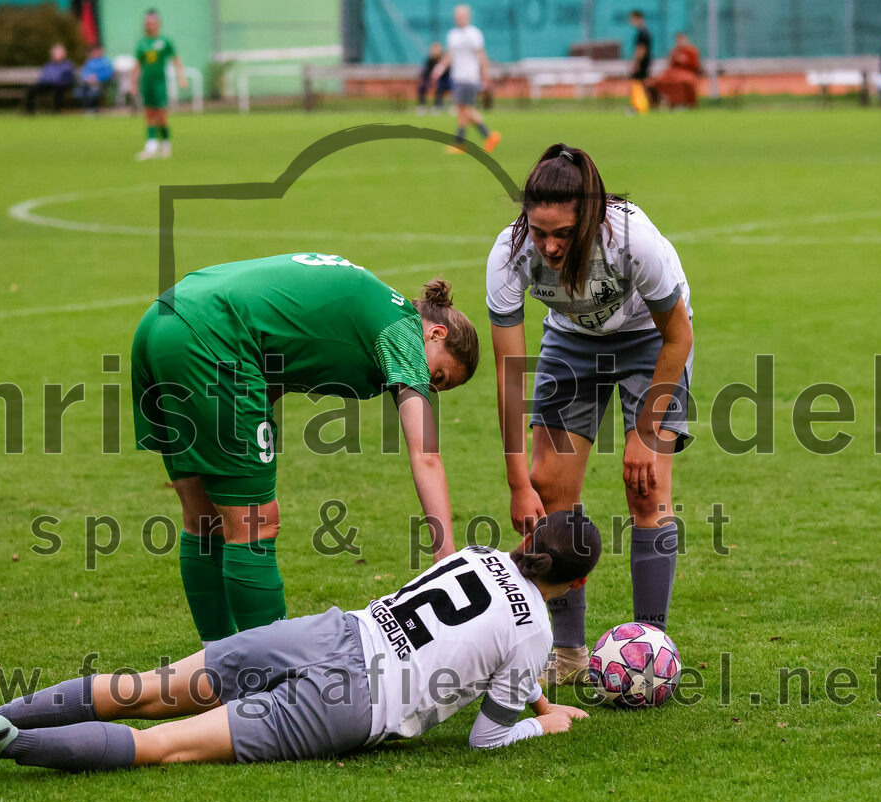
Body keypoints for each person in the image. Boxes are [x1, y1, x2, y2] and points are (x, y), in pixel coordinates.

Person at [0, 510, 600, 783]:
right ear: (579, 581)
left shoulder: (479, 553)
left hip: (329, 631)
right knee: (166, 744)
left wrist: (528, 688)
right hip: (353, 702)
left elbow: (471, 636)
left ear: (530, 537)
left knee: (145, 687)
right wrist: (543, 719)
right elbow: (486, 739)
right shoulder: (536, 631)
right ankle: (2, 739)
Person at [131, 254, 480, 644]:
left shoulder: (376, 306)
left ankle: (219, 662)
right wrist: (445, 555)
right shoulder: (402, 331)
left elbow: (280, 352)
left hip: (164, 319)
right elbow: (426, 454)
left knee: (204, 519)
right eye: (437, 377)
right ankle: (267, 673)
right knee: (255, 523)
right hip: (210, 337)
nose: (426, 387)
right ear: (435, 334)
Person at [485, 143, 693, 684]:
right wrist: (516, 483)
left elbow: (679, 334)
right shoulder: (509, 255)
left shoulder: (633, 243)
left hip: (649, 340)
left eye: (563, 234)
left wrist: (645, 433)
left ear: (592, 220)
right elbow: (510, 378)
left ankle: (652, 649)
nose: (549, 246)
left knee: (646, 489)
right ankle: (569, 652)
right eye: (539, 231)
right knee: (550, 491)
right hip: (572, 342)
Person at [430, 5, 500, 154]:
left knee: (465, 109)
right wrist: (439, 69)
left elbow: (481, 56)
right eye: (457, 15)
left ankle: (487, 136)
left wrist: (485, 75)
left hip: (470, 77)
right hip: (457, 77)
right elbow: (449, 55)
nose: (458, 18)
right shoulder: (453, 35)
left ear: (468, 16)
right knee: (462, 109)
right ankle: (461, 142)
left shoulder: (474, 34)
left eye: (461, 15)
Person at [130, 8, 187, 160]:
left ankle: (166, 145)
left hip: (160, 83)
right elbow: (137, 65)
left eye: (152, 22)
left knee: (161, 116)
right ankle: (151, 147)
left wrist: (181, 77)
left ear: (158, 23)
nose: (149, 25)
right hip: (146, 83)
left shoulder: (165, 41)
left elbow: (176, 59)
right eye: (147, 22)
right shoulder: (141, 43)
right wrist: (133, 83)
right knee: (149, 114)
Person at [646, 33, 702, 109]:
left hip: (686, 72)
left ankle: (687, 104)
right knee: (652, 81)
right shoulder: (674, 52)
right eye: (678, 40)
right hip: (673, 72)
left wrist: (685, 61)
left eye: (681, 40)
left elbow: (696, 66)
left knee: (686, 81)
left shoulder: (692, 51)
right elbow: (670, 65)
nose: (680, 42)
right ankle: (656, 103)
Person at [25, 43, 76, 114]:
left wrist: (59, 81)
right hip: (48, 84)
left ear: (63, 54)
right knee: (32, 90)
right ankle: (29, 111)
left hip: (61, 84)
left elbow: (69, 78)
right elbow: (44, 76)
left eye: (58, 53)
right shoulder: (49, 64)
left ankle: (57, 110)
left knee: (59, 89)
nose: (56, 55)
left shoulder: (67, 64)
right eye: (55, 53)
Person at [75, 43, 114, 114]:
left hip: (101, 83)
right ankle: (86, 109)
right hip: (88, 83)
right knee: (83, 89)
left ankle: (93, 108)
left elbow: (108, 74)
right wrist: (87, 78)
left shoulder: (105, 62)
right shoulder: (89, 62)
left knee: (94, 89)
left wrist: (97, 78)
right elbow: (84, 73)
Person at [628, 10, 652, 114]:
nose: (631, 21)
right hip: (646, 60)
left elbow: (641, 49)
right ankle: (644, 105)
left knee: (637, 82)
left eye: (632, 18)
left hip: (642, 61)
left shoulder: (642, 32)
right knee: (642, 82)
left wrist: (637, 62)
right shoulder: (645, 31)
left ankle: (639, 106)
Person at [417, 42, 452, 114]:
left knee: (440, 86)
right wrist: (431, 79)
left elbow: (448, 72)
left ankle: (438, 105)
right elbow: (425, 72)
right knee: (422, 87)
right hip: (430, 79)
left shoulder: (444, 60)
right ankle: (422, 105)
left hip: (444, 79)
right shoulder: (429, 60)